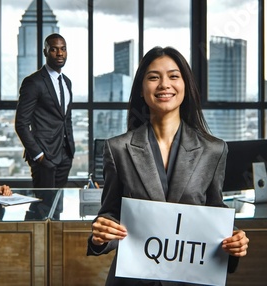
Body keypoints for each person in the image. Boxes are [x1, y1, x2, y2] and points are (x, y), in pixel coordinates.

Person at [86, 46, 249, 285]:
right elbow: (111, 214)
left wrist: (234, 238)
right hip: (133, 280)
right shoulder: (118, 148)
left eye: (174, 76)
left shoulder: (214, 150)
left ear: (186, 86)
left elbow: (215, 214)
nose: (164, 84)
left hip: (191, 279)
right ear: (142, 90)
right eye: (153, 77)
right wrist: (99, 237)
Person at [15, 33, 75, 219]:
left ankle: (56, 244)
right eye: (54, 49)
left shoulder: (66, 82)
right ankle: (37, 246)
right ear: (45, 52)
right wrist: (39, 155)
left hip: (64, 154)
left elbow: (66, 119)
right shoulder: (33, 82)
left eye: (63, 48)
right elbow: (21, 123)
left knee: (57, 206)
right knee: (43, 209)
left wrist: (70, 150)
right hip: (44, 156)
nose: (59, 53)